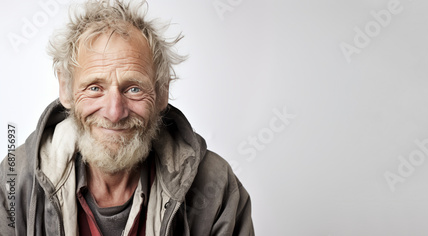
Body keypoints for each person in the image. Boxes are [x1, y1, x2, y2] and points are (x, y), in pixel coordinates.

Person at [0, 0, 254, 235]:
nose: (114, 113)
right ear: (65, 89)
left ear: (163, 91)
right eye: (94, 88)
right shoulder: (16, 177)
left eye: (134, 88)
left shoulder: (215, 184)